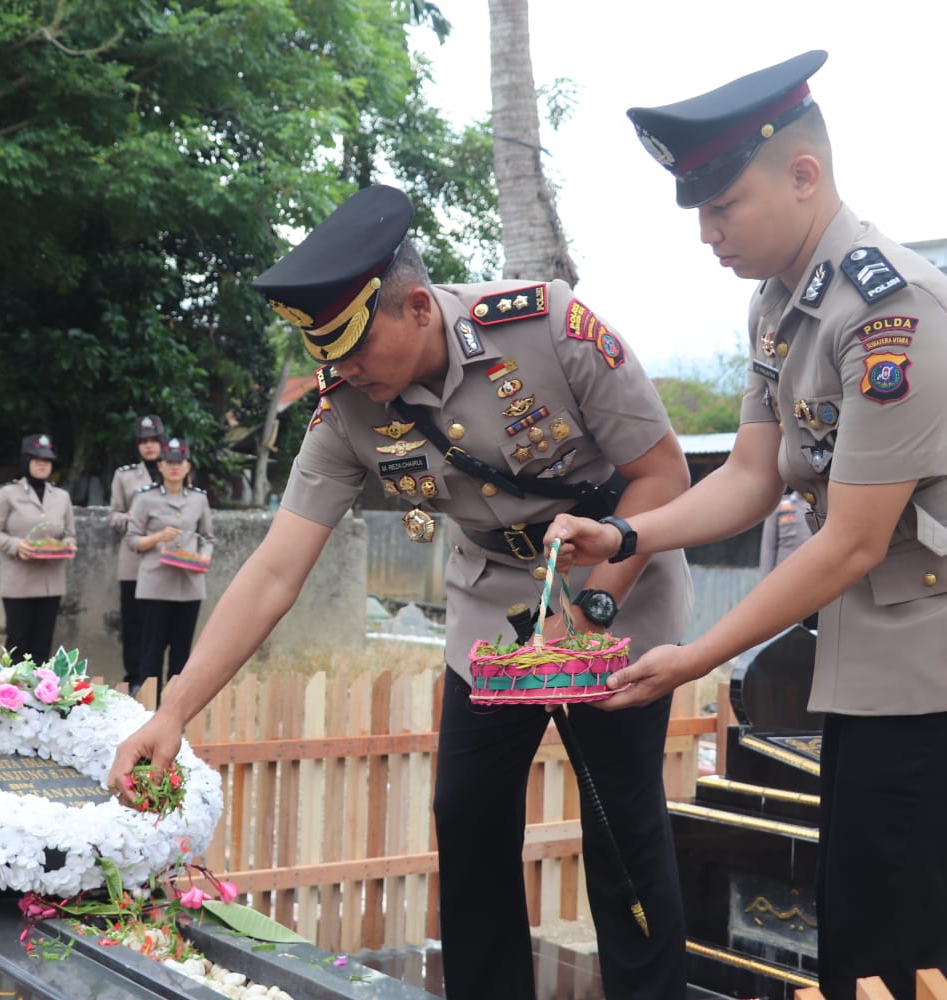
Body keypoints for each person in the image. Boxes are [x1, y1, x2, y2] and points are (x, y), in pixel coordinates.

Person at [109, 184, 695, 1000]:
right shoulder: (347, 411)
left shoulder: (548, 328)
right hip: (492, 611)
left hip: (616, 593)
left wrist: (586, 608)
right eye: (328, 358)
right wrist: (172, 713)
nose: (341, 373)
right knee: (466, 816)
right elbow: (277, 567)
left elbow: (663, 475)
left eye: (353, 351)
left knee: (622, 825)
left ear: (417, 307)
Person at [548, 51, 947, 999]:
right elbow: (752, 475)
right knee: (856, 931)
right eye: (699, 212)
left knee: (899, 949)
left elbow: (850, 539)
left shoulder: (891, 311)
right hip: (866, 662)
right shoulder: (779, 304)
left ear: (803, 176)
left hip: (926, 669)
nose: (706, 235)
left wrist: (693, 657)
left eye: (722, 208)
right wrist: (632, 537)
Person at [125, 436, 214, 700]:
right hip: (155, 585)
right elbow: (132, 540)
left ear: (188, 466)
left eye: (180, 462)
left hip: (189, 585)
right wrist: (156, 538)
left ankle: (175, 711)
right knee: (150, 653)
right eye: (169, 462)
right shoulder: (145, 499)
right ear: (160, 466)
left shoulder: (198, 499)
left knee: (182, 654)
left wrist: (204, 557)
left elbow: (208, 537)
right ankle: (148, 710)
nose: (175, 467)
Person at [0, 433, 77, 666]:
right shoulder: (7, 494)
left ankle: (40, 698)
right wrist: (16, 545)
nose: (42, 464)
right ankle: (13, 697)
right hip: (19, 581)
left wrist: (68, 544)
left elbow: (69, 533)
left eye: (47, 460)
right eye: (36, 459)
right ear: (26, 461)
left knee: (43, 645)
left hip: (51, 581)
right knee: (18, 643)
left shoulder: (62, 496)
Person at [109, 415, 166, 686]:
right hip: (133, 562)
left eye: (154, 440)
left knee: (158, 627)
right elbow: (113, 517)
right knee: (133, 625)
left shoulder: (175, 471)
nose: (149, 446)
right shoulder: (125, 476)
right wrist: (133, 516)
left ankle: (154, 681)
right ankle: (133, 680)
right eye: (144, 441)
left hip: (166, 562)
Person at [759, 488, 813, 575]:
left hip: (815, 576)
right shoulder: (779, 506)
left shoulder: (824, 508)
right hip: (783, 576)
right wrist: (765, 580)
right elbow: (768, 548)